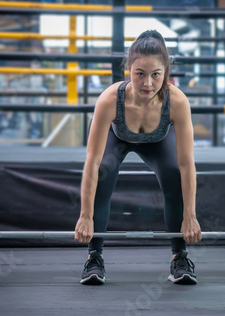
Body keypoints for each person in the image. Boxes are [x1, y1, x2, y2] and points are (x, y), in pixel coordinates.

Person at [74, 30, 202, 285]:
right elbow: (92, 162)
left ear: (166, 72)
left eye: (156, 75)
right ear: (128, 70)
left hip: (157, 140)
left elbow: (188, 165)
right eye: (139, 74)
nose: (147, 83)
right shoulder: (109, 100)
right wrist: (85, 215)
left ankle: (179, 257)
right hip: (117, 137)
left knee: (174, 173)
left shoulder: (177, 102)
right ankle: (94, 257)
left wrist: (191, 215)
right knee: (102, 175)